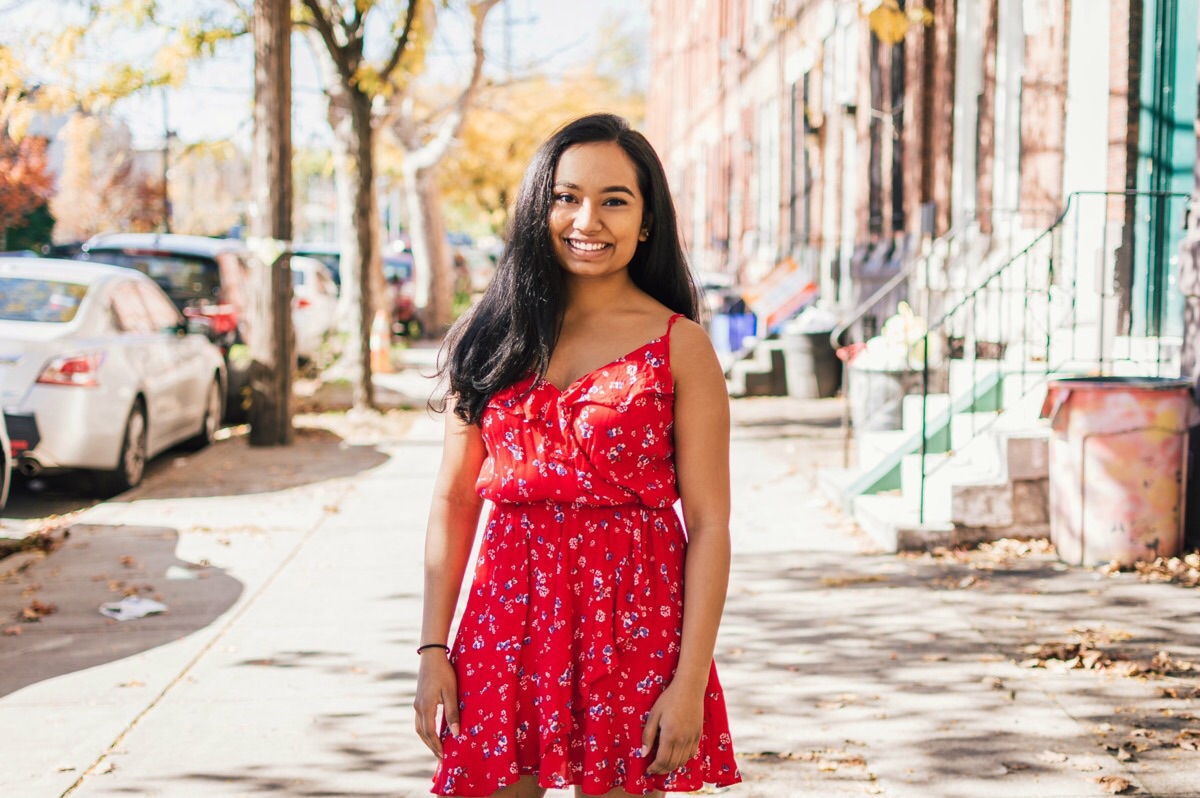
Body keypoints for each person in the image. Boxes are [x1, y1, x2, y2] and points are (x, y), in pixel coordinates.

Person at [415, 113, 741, 798]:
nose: (586, 219)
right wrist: (432, 648)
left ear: (646, 221)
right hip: (506, 618)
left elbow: (710, 525)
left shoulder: (680, 347)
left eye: (614, 200)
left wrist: (689, 682)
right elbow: (454, 498)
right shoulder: (490, 334)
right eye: (566, 196)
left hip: (636, 625)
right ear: (541, 206)